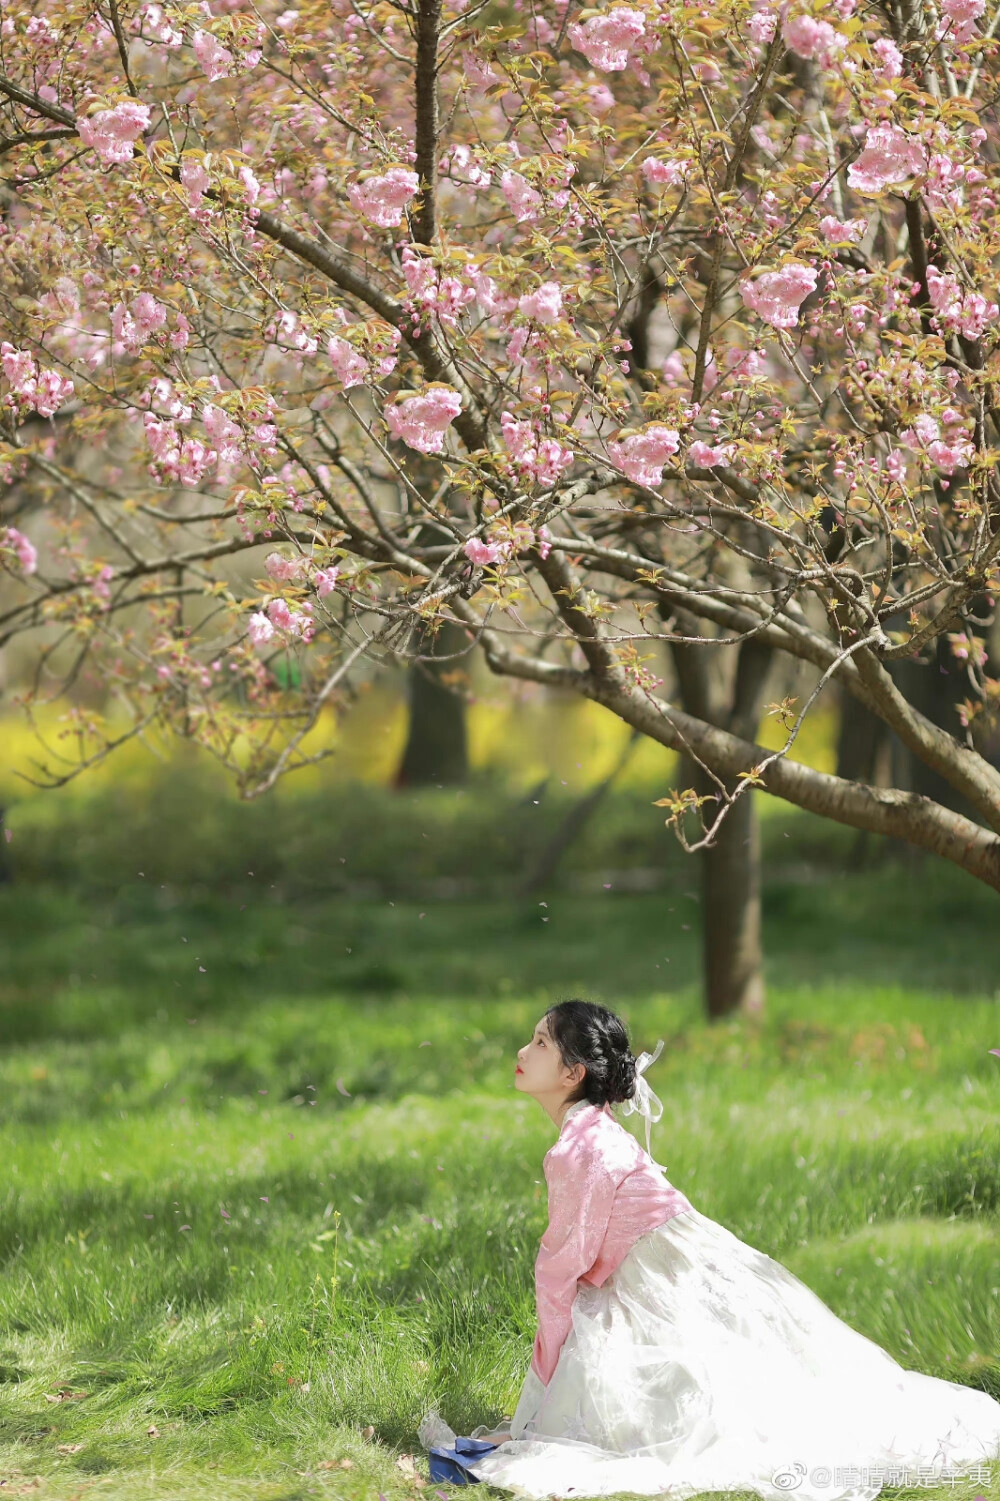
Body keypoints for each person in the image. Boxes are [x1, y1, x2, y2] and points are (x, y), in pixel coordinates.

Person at [464, 1000, 1000, 1501]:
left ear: (571, 1073)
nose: (520, 1052)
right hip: (676, 1257)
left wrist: (543, 1376)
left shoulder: (579, 1148)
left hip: (666, 1271)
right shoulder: (589, 1135)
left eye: (538, 1043)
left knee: (712, 1395)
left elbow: (561, 1265)